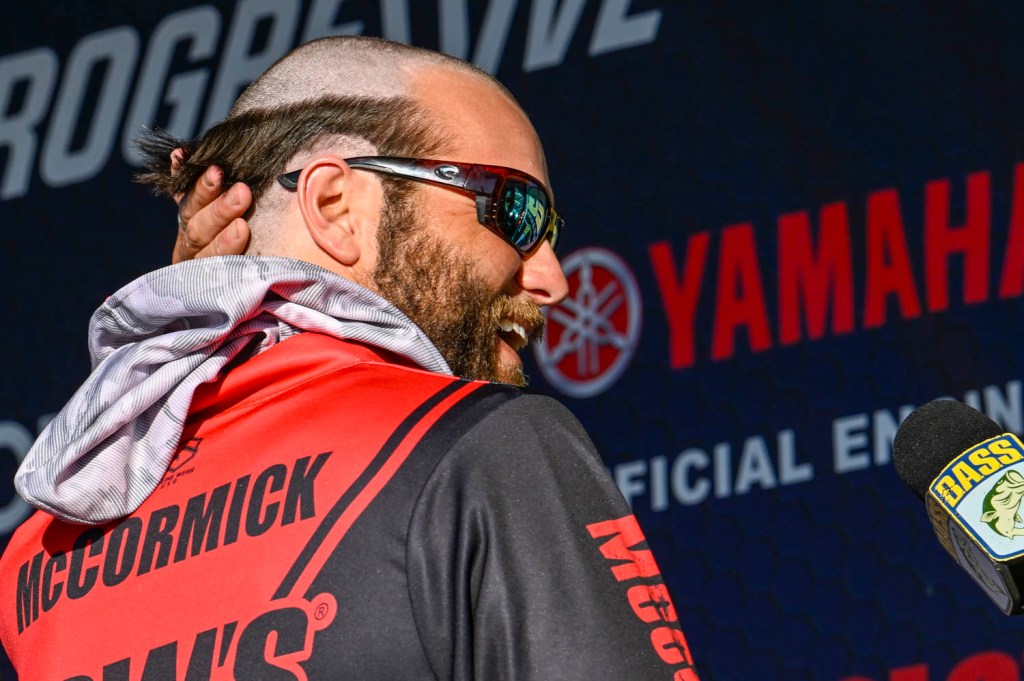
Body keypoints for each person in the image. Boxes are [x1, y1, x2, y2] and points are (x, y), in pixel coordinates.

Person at [0, 37, 699, 680]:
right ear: (334, 205)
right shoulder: (488, 446)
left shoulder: (38, 558)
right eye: (515, 212)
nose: (553, 279)